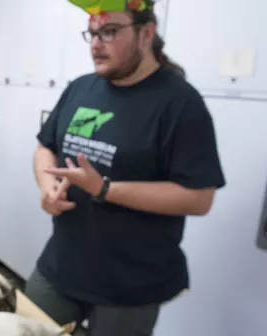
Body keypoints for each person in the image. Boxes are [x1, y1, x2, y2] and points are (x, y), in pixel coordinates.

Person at [26, 1, 226, 335]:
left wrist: (104, 189)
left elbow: (198, 198)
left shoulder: (180, 103)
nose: (95, 44)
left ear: (146, 33)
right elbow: (45, 147)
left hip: (131, 285)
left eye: (109, 32)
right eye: (91, 34)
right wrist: (46, 188)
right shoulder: (81, 88)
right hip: (62, 266)